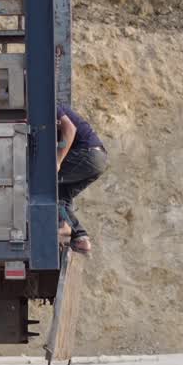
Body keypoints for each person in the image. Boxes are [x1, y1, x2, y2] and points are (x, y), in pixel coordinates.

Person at [55, 103, 107, 254]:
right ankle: (79, 236)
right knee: (60, 195)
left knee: (42, 180)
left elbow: (69, 130)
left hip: (87, 155)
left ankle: (65, 226)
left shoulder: (48, 103)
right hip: (96, 160)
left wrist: (58, 159)